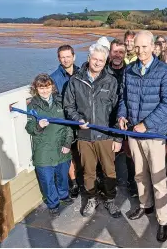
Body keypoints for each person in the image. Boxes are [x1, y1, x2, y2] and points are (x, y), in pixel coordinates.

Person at [117, 30, 167, 243]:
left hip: (155, 134)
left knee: (158, 179)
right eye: (137, 47)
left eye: (145, 47)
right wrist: (122, 115)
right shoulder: (129, 70)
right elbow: (123, 97)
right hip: (133, 132)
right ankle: (145, 205)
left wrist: (146, 124)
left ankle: (162, 221)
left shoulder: (164, 71)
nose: (141, 51)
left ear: (153, 47)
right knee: (140, 174)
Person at [63, 43, 123, 218]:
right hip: (84, 136)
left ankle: (110, 200)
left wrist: (118, 138)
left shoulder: (111, 81)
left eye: (101, 60)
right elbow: (68, 106)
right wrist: (77, 120)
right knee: (88, 171)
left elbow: (118, 111)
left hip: (105, 136)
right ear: (88, 58)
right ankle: (91, 198)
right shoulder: (75, 81)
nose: (97, 63)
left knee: (109, 171)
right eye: (95, 59)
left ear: (106, 62)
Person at [25, 74, 74, 217]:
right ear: (36, 88)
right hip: (43, 149)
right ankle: (53, 203)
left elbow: (69, 126)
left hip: (61, 146)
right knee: (47, 179)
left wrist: (67, 143)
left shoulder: (61, 102)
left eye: (47, 87)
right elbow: (29, 128)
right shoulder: (33, 106)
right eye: (41, 87)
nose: (45, 90)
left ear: (52, 86)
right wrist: (38, 126)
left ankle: (64, 195)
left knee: (62, 175)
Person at [107, 39, 138, 198]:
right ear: (109, 53)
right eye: (114, 51)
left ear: (125, 54)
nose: (117, 55)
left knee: (129, 154)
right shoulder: (103, 72)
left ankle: (132, 185)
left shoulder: (131, 72)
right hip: (106, 121)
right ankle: (109, 187)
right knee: (107, 157)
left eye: (121, 52)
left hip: (126, 121)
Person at [50, 45, 81, 198]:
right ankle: (74, 183)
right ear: (58, 58)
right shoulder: (54, 78)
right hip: (65, 120)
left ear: (74, 57)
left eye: (68, 56)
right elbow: (55, 102)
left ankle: (87, 178)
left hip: (81, 119)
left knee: (84, 151)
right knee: (68, 153)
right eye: (63, 57)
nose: (66, 59)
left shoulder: (82, 72)